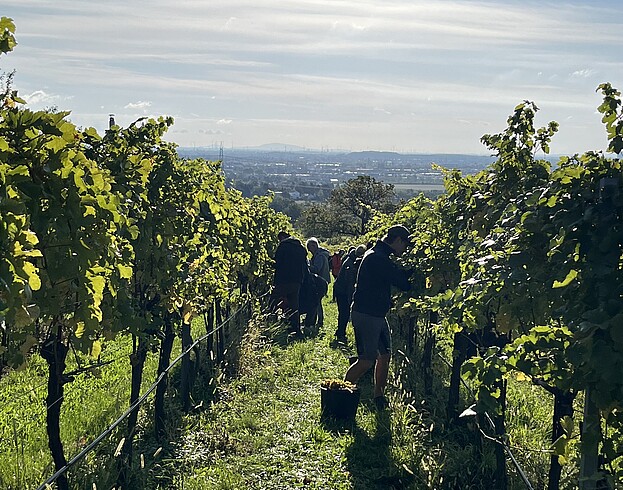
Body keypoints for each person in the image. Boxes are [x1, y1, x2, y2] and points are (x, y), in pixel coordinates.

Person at [344, 225, 412, 410]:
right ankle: (342, 394)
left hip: (376, 314)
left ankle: (379, 397)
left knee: (385, 356)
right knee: (366, 360)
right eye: (405, 244)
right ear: (397, 240)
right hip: (367, 315)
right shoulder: (378, 258)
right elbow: (403, 283)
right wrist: (417, 272)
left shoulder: (378, 255)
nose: (405, 249)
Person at [271, 231, 308, 334]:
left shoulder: (283, 246)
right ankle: (295, 328)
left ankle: (271, 324)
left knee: (273, 302)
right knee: (294, 304)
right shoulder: (301, 248)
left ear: (282, 237)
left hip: (283, 279)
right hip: (297, 281)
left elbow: (277, 263)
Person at [333, 244, 366, 343]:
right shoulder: (351, 265)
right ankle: (341, 334)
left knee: (343, 312)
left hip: (340, 289)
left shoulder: (349, 259)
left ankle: (340, 331)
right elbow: (349, 284)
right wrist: (351, 299)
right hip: (342, 291)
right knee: (344, 312)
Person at [306, 237, 331, 329]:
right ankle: (317, 320)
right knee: (317, 301)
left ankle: (319, 321)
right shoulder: (319, 254)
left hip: (320, 281)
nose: (309, 250)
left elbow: (317, 269)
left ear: (314, 245)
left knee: (317, 301)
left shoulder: (320, 256)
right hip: (322, 280)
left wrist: (307, 266)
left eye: (309, 247)